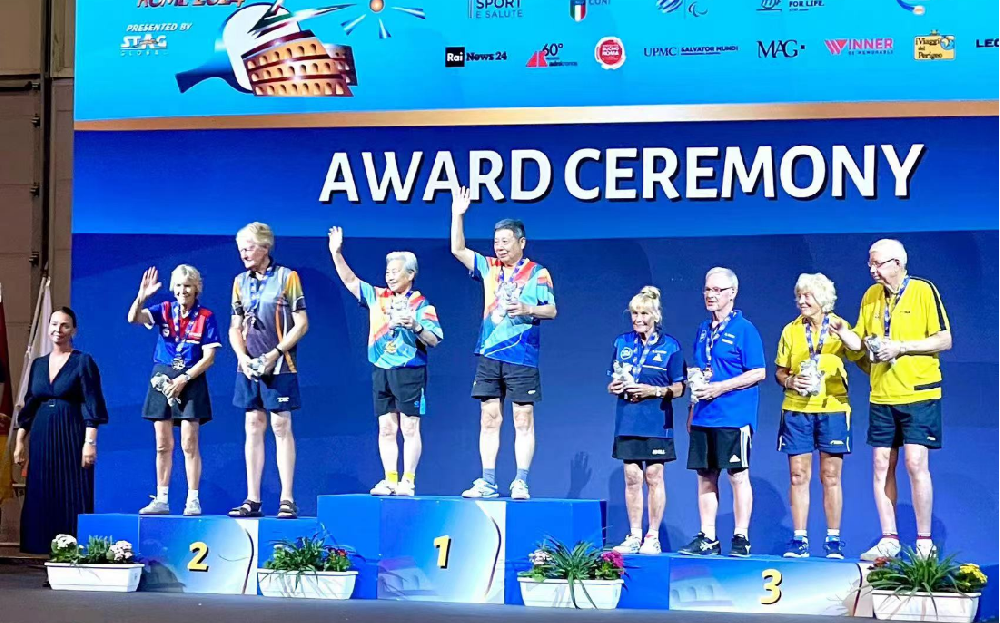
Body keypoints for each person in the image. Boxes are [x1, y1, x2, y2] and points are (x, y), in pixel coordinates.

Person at [830, 239, 951, 560]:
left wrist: (900, 347)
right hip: (882, 394)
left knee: (915, 463)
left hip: (919, 392)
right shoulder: (871, 296)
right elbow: (860, 342)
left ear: (897, 263)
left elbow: (944, 339)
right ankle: (889, 538)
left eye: (878, 263)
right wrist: (842, 331)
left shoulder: (923, 291)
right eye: (870, 263)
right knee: (882, 465)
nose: (872, 269)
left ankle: (924, 542)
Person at [450, 186, 557, 500]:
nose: (499, 247)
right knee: (489, 417)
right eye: (496, 241)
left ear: (521, 243)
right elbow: (458, 249)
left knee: (522, 417)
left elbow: (551, 310)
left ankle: (520, 481)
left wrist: (526, 308)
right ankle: (487, 481)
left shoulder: (537, 273)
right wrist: (458, 214)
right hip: (489, 353)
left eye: (505, 241)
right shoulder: (489, 267)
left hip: (521, 356)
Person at [328, 226, 444, 496]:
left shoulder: (421, 304)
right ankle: (390, 479)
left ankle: (408, 480)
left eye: (395, 271)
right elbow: (350, 280)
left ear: (410, 274)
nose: (390, 276)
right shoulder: (377, 296)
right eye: (388, 272)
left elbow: (435, 339)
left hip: (409, 371)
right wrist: (336, 253)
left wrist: (415, 325)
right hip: (381, 369)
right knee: (386, 427)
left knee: (409, 426)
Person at [678, 267, 765, 557]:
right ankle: (708, 537)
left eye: (717, 290)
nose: (710, 295)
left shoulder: (745, 329)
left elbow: (758, 372)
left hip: (733, 415)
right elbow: (701, 372)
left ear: (732, 293)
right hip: (704, 414)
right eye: (707, 289)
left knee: (737, 475)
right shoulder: (703, 330)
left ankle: (741, 536)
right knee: (705, 476)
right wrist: (692, 408)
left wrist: (721, 387)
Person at [774, 273, 862, 559]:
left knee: (830, 476)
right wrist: (790, 381)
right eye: (799, 296)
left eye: (807, 296)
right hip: (797, 409)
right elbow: (780, 371)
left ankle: (833, 539)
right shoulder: (790, 330)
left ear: (822, 299)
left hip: (833, 408)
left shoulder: (837, 325)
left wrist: (843, 333)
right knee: (798, 475)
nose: (801, 301)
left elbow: (857, 348)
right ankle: (799, 539)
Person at [228, 222, 309, 519]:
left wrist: (275, 353)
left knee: (280, 426)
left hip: (280, 364)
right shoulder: (239, 282)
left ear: (265, 247)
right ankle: (253, 499)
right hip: (248, 365)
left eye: (248, 248)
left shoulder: (287, 277)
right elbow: (235, 326)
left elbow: (301, 324)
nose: (244, 254)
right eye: (240, 250)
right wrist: (242, 356)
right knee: (253, 425)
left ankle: (287, 499)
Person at [127, 265, 222, 516]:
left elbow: (209, 358)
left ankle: (193, 500)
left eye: (188, 286)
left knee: (189, 443)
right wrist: (141, 297)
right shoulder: (165, 309)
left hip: (191, 377)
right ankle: (161, 499)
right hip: (162, 376)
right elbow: (133, 318)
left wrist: (184, 379)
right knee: (162, 444)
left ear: (197, 288)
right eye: (178, 285)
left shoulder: (206, 316)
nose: (183, 290)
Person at [13, 308, 109, 554]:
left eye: (65, 325)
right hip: (42, 435)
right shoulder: (38, 365)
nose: (58, 329)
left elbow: (92, 403)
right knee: (41, 490)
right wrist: (20, 442)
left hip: (72, 434)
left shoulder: (83, 361)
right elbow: (30, 404)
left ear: (73, 330)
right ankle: (42, 550)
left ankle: (72, 550)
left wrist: (90, 443)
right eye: (54, 324)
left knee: (72, 491)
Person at [608, 286, 685, 555]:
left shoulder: (671, 346)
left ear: (655, 316)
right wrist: (614, 387)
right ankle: (634, 535)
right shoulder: (621, 343)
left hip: (656, 421)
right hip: (627, 420)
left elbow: (680, 388)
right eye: (634, 313)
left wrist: (653, 391)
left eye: (643, 313)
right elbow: (614, 378)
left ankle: (652, 536)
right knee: (632, 477)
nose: (638, 319)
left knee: (653, 475)